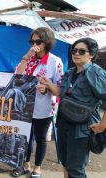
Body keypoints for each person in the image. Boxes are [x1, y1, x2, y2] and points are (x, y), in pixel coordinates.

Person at [39, 37, 106, 178]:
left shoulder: (95, 73)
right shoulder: (70, 72)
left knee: (76, 169)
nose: (76, 54)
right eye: (74, 50)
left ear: (91, 55)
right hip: (64, 123)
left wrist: (102, 126)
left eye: (82, 51)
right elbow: (60, 93)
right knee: (65, 162)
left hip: (81, 128)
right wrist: (49, 84)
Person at [11, 27, 63, 177]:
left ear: (47, 42)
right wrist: (27, 56)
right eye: (32, 41)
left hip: (44, 107)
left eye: (38, 41)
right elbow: (17, 76)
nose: (34, 44)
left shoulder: (55, 61)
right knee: (25, 138)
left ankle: (37, 167)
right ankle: (25, 165)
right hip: (25, 105)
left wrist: (47, 88)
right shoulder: (29, 59)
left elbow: (60, 88)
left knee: (40, 138)